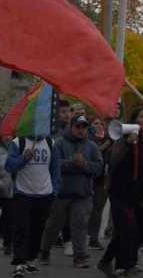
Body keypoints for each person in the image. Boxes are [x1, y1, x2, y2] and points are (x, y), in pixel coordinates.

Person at [40, 114, 103, 268]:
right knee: (53, 225)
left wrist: (85, 165)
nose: (81, 130)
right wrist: (72, 163)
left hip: (83, 194)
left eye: (84, 127)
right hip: (62, 193)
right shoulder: (59, 143)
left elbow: (99, 168)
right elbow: (54, 164)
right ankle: (44, 251)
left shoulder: (92, 146)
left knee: (80, 224)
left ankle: (80, 257)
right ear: (71, 127)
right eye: (78, 127)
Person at [98, 108, 143, 277]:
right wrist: (128, 144)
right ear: (133, 121)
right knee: (128, 230)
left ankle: (108, 260)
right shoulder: (122, 139)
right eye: (141, 116)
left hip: (141, 193)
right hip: (120, 193)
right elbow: (112, 159)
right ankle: (125, 265)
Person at [6, 132, 60, 278]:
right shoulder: (18, 142)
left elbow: (55, 168)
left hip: (45, 193)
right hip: (23, 192)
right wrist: (23, 159)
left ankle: (30, 259)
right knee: (21, 228)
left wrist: (55, 190)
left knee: (38, 229)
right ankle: (19, 262)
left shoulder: (51, 143)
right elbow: (9, 166)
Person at [88, 117, 112, 250]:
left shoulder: (109, 139)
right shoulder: (87, 139)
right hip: (88, 179)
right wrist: (106, 144)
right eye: (95, 123)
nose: (98, 125)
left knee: (97, 210)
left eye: (101, 123)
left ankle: (93, 238)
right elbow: (93, 152)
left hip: (102, 180)